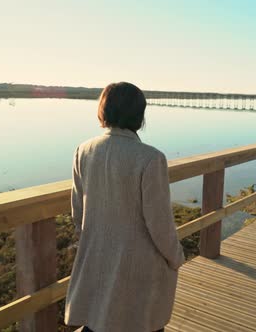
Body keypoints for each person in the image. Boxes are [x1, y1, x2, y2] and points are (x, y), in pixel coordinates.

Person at [65, 82, 185, 332]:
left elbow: (78, 213)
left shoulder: (83, 151)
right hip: (140, 273)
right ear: (140, 115)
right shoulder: (151, 158)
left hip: (98, 264)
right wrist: (176, 257)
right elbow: (160, 225)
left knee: (99, 323)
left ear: (103, 110)